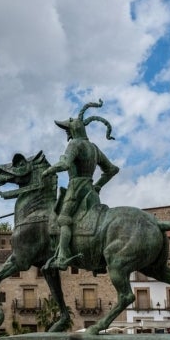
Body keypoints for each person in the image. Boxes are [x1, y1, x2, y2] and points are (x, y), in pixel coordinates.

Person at [42, 100, 120, 271]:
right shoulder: (94, 148)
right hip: (91, 191)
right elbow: (112, 170)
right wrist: (98, 186)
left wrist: (47, 172)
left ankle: (63, 255)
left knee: (64, 219)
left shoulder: (74, 144)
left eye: (67, 130)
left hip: (76, 189)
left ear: (71, 130)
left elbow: (64, 165)